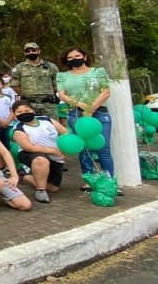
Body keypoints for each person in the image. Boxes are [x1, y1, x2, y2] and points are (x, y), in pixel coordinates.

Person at [56, 47, 115, 192]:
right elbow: (62, 95)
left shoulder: (98, 72)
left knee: (104, 149)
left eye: (77, 55)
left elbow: (106, 91)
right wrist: (82, 105)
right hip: (76, 113)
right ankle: (88, 180)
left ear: (85, 56)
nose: (74, 59)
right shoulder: (62, 76)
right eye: (70, 57)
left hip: (99, 113)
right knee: (84, 149)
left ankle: (109, 182)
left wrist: (92, 107)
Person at [11, 101, 68, 203]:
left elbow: (64, 132)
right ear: (14, 114)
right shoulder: (18, 129)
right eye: (19, 112)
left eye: (27, 110)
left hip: (54, 153)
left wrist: (63, 149)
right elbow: (29, 148)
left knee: (53, 188)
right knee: (41, 160)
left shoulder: (46, 120)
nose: (24, 113)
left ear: (33, 110)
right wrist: (53, 151)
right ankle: (40, 191)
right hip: (30, 153)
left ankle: (24, 176)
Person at [11, 42, 60, 119]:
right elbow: (15, 85)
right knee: (30, 127)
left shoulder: (51, 66)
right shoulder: (19, 68)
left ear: (39, 51)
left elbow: (57, 84)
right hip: (29, 105)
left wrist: (47, 93)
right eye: (28, 51)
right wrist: (26, 95)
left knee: (52, 127)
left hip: (48, 105)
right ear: (25, 53)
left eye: (33, 50)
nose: (31, 52)